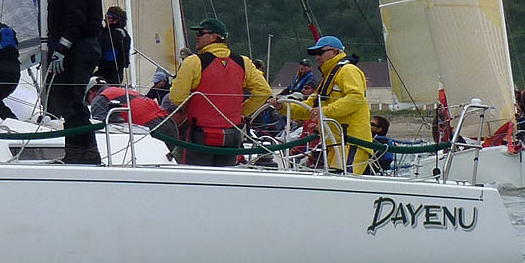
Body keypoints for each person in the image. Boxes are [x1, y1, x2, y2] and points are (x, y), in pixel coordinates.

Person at [156, 17, 270, 166]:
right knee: (225, 176)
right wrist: (241, 112)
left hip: (200, 135)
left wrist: (194, 107)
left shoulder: (193, 62)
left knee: (196, 176)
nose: (196, 37)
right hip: (231, 134)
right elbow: (263, 91)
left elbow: (176, 97)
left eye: (200, 33)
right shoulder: (244, 63)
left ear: (214, 36)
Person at [45, 0, 105, 164]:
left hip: (79, 47)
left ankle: (86, 153)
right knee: (66, 101)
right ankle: (76, 153)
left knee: (72, 101)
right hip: (75, 47)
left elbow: (75, 19)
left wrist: (61, 49)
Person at [274, 34, 372, 174]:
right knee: (335, 181)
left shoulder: (348, 70)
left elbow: (355, 99)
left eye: (320, 52)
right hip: (335, 142)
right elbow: (309, 107)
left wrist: (324, 111)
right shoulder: (329, 77)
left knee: (344, 181)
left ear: (335, 52)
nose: (317, 57)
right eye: (315, 53)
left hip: (351, 141)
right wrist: (283, 107)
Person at [94, 6, 133, 85]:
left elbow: (104, 42)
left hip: (113, 74)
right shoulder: (112, 32)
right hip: (104, 70)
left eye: (108, 18)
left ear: (115, 21)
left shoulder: (118, 33)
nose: (105, 20)